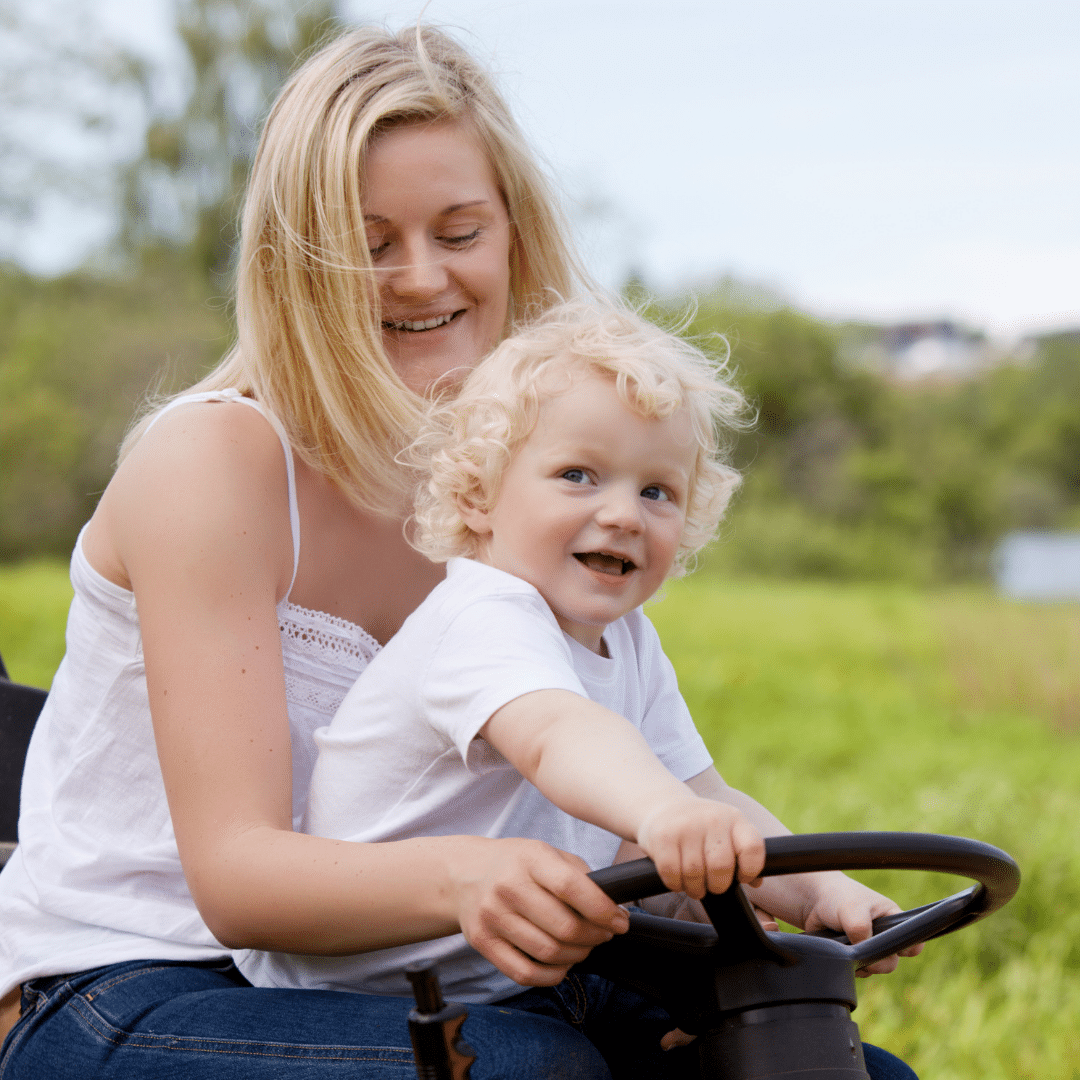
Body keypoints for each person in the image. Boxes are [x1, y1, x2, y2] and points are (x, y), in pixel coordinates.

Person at [0, 23, 919, 1080]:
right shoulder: (212, 461)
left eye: (459, 230)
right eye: (369, 240)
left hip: (429, 975)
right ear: (294, 262)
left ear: (514, 238)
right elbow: (237, 880)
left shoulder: (523, 491)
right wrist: (466, 880)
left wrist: (786, 880)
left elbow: (644, 789)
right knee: (526, 1070)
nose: (417, 275)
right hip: (134, 981)